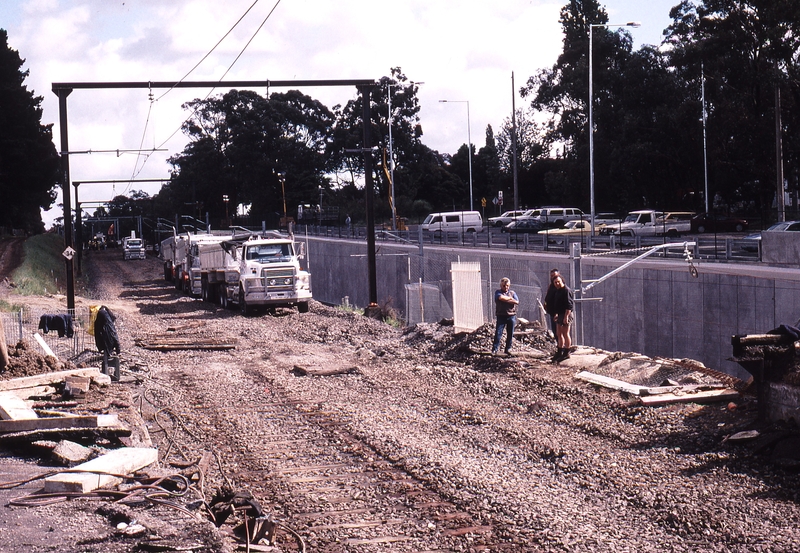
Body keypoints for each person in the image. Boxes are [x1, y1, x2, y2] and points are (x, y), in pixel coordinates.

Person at [492, 277, 519, 356]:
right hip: (501, 316)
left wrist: (507, 299)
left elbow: (516, 301)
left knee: (510, 333)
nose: (506, 287)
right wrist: (510, 299)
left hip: (511, 316)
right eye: (504, 285)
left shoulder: (513, 293)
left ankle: (508, 349)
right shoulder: (498, 292)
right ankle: (495, 349)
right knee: (498, 333)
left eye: (507, 285)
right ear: (501, 285)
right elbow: (500, 297)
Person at [551, 274, 574, 362]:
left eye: (558, 282)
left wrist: (566, 317)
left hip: (566, 314)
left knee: (565, 333)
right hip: (560, 314)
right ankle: (559, 351)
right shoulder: (557, 291)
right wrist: (556, 314)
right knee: (558, 333)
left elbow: (569, 305)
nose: (557, 283)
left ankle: (567, 351)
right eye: (555, 282)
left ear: (562, 281)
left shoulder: (566, 291)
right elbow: (557, 304)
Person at [542, 268, 560, 336]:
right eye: (551, 276)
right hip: (552, 312)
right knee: (554, 331)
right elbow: (548, 298)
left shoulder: (560, 287)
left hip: (558, 313)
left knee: (559, 332)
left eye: (554, 276)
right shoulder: (551, 286)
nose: (553, 277)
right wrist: (545, 305)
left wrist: (557, 313)